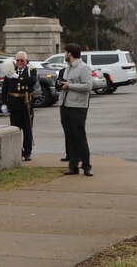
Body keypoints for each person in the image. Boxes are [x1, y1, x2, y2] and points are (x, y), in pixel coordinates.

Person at [57, 43, 93, 176]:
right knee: (70, 137)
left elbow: (88, 86)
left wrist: (69, 86)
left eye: (65, 52)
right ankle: (73, 166)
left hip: (78, 107)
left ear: (70, 53)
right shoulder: (67, 68)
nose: (64, 55)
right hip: (65, 105)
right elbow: (65, 84)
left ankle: (87, 165)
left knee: (79, 137)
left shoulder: (83, 68)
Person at [3, 51, 36, 161]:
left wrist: (18, 77)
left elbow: (31, 81)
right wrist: (3, 103)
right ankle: (18, 151)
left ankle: (27, 152)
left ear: (26, 61)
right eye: (18, 60)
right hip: (14, 104)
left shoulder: (31, 70)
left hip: (26, 104)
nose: (20, 62)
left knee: (27, 130)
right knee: (14, 129)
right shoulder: (10, 70)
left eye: (22, 60)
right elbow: (5, 88)